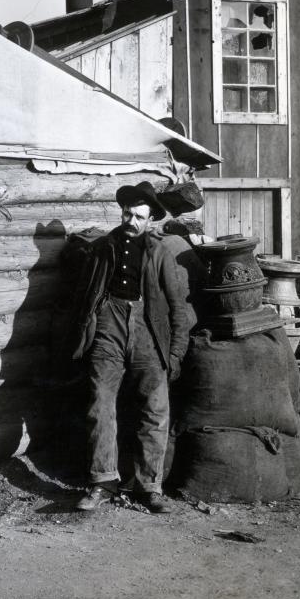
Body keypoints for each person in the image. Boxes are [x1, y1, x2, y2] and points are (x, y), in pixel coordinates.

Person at [67, 181, 190, 513]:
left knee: (155, 409)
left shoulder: (160, 253)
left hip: (148, 330)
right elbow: (84, 298)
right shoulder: (103, 248)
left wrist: (175, 351)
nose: (131, 221)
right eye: (127, 213)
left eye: (138, 216)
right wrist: (85, 335)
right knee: (99, 403)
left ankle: (150, 487)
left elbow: (178, 307)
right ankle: (101, 482)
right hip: (109, 326)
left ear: (150, 220)